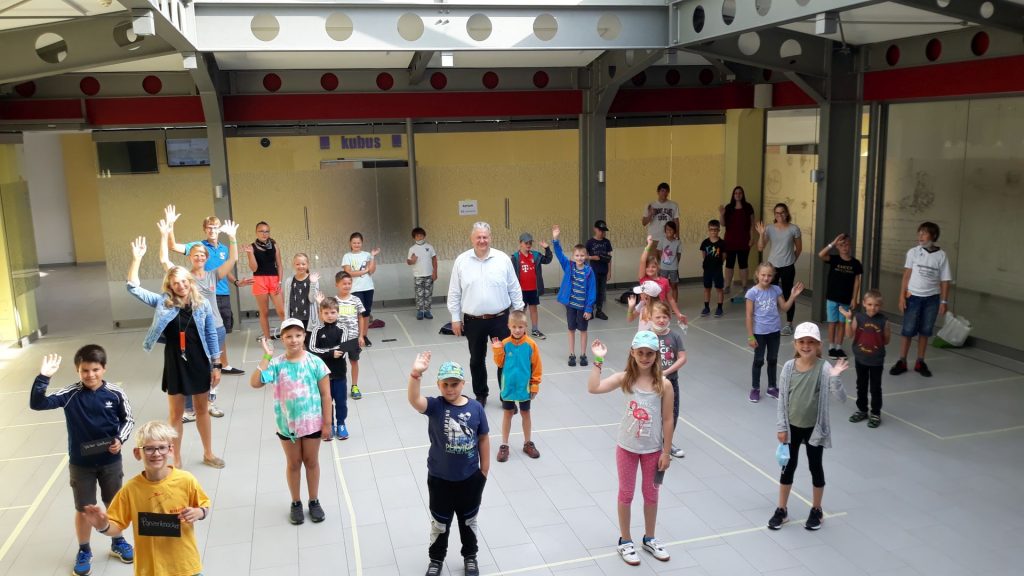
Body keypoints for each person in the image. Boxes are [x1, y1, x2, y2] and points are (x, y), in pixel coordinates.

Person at [30, 346, 135, 576]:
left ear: (104, 368)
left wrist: (120, 439)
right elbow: (37, 404)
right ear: (78, 370)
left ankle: (117, 541)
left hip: (110, 462)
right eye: (84, 370)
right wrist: (43, 378)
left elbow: (128, 420)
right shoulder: (69, 395)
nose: (90, 375)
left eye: (95, 369)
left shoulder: (116, 393)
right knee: (84, 509)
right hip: (81, 465)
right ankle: (84, 550)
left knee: (114, 504)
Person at [126, 236, 224, 469]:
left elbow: (211, 335)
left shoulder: (202, 305)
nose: (181, 286)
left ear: (190, 282)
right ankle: (176, 460)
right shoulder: (162, 302)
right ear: (170, 286)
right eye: (175, 283)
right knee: (176, 414)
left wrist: (216, 364)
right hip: (175, 363)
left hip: (199, 361)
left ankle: (208, 453)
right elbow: (132, 287)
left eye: (184, 282)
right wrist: (136, 259)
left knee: (202, 409)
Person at [81, 421, 210, 576]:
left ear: (170, 450)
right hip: (150, 570)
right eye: (149, 449)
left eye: (162, 447)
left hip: (186, 566)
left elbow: (204, 505)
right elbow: (116, 525)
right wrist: (103, 526)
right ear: (137, 453)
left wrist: (199, 512)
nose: (156, 453)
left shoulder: (186, 480)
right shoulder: (131, 490)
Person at [588, 333, 674, 566]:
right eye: (640, 353)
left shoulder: (664, 384)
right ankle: (625, 540)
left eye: (649, 353)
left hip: (653, 451)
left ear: (656, 355)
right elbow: (593, 388)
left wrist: (666, 452)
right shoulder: (625, 378)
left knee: (651, 494)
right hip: (627, 448)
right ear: (632, 353)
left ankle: (649, 538)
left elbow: (668, 419)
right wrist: (598, 360)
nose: (645, 357)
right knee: (626, 493)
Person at [407, 354, 489, 576]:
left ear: (463, 383)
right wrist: (416, 374)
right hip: (440, 479)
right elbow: (415, 400)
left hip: (470, 479)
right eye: (445, 384)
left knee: (469, 520)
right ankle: (436, 560)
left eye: (455, 384)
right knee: (439, 523)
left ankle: (470, 556)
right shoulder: (435, 406)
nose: (450, 389)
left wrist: (484, 471)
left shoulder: (476, 408)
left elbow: (483, 438)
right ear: (439, 385)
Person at [767, 322, 848, 532]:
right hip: (791, 428)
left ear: (818, 345)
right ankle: (782, 509)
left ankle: (816, 509)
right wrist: (781, 426)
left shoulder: (825, 368)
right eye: (802, 341)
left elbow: (841, 398)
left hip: (815, 428)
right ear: (795, 344)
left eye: (810, 342)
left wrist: (836, 378)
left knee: (815, 467)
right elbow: (782, 398)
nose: (806, 346)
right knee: (788, 467)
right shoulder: (788, 367)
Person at [251, 318, 333, 524]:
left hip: (312, 424)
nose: (293, 340)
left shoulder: (315, 362)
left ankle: (314, 500)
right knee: (294, 463)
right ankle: (296, 502)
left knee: (311, 462)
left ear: (304, 336)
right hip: (287, 426)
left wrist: (327, 423)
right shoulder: (276, 364)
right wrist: (266, 356)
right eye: (288, 336)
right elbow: (255, 382)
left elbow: (325, 395)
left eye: (298, 335)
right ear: (282, 338)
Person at [160, 216, 239, 423]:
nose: (200, 258)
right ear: (191, 257)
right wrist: (165, 233)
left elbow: (232, 261)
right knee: (191, 367)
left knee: (215, 367)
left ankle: (209, 402)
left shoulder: (214, 275)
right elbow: (164, 260)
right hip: (195, 330)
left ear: (206, 257)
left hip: (216, 328)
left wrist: (233, 238)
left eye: (202, 255)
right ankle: (188, 408)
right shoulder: (185, 277)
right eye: (196, 255)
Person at [447, 222, 525, 406]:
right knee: (476, 360)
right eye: (478, 237)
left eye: (485, 237)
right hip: (473, 321)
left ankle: (507, 395)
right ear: (472, 238)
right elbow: (454, 292)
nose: (482, 240)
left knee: (505, 359)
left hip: (501, 319)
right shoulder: (461, 261)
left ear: (490, 238)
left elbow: (514, 288)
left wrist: (519, 314)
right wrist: (455, 318)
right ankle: (480, 394)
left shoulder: (503, 259)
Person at [165, 205, 249, 375]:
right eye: (209, 228)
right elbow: (172, 246)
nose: (212, 230)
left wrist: (236, 281)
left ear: (219, 230)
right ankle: (202, 363)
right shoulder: (198, 247)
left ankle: (222, 364)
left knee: (221, 329)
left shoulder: (224, 249)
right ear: (205, 230)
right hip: (202, 295)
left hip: (221, 293)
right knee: (201, 329)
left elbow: (225, 269)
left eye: (215, 227)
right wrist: (170, 225)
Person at [890, 222, 952, 378]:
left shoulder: (941, 256)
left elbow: (945, 280)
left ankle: (920, 361)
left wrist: (943, 302)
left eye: (924, 233)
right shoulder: (913, 252)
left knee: (925, 331)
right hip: (913, 298)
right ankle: (902, 361)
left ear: (933, 236)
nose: (920, 236)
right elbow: (907, 275)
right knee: (908, 330)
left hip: (932, 299)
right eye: (919, 233)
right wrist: (901, 296)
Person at [746, 262, 805, 403]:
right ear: (757, 275)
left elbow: (784, 307)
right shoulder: (752, 293)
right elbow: (749, 316)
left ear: (773, 276)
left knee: (772, 359)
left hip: (774, 332)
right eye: (763, 275)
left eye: (769, 275)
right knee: (758, 360)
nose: (766, 278)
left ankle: (772, 387)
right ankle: (755, 388)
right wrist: (750, 336)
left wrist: (793, 296)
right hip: (759, 333)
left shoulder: (776, 290)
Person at [490, 310, 542, 462]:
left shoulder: (531, 345)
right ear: (509, 326)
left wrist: (534, 386)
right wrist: (497, 349)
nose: (517, 330)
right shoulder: (504, 344)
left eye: (520, 327)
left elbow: (537, 367)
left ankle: (527, 443)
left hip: (525, 387)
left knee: (526, 413)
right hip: (508, 387)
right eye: (514, 327)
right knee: (508, 413)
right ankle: (504, 445)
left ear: (525, 326)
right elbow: (499, 363)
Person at [311, 272, 367, 400]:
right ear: (337, 284)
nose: (347, 286)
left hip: (352, 338)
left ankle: (354, 386)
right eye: (344, 283)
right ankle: (331, 385)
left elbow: (361, 317)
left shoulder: (356, 300)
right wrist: (321, 303)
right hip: (336, 340)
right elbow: (324, 317)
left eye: (349, 283)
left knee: (354, 361)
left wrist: (361, 336)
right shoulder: (333, 301)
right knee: (336, 364)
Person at [841, 290, 890, 428]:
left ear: (880, 305)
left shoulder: (884, 321)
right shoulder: (859, 318)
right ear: (864, 304)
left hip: (876, 361)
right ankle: (862, 409)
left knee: (875, 387)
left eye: (876, 305)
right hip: (861, 358)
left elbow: (886, 340)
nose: (872, 308)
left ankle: (875, 413)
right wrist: (848, 319)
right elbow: (849, 334)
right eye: (869, 304)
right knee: (861, 385)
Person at [552, 224, 597, 367]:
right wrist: (555, 239)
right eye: (577, 255)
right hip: (571, 305)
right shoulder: (569, 266)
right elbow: (559, 254)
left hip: (583, 307)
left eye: (582, 255)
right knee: (571, 329)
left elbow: (592, 290)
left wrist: (589, 308)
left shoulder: (589, 271)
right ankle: (572, 354)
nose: (579, 257)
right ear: (573, 257)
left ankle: (583, 354)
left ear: (586, 256)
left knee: (583, 330)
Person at [756, 203, 802, 336]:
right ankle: (771, 321)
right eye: (777, 213)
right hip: (773, 267)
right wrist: (761, 234)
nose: (779, 215)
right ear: (774, 215)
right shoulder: (769, 229)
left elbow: (798, 249)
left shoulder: (794, 229)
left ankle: (789, 324)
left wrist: (791, 261)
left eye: (782, 212)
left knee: (788, 294)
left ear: (786, 213)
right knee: (770, 294)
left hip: (788, 266)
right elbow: (760, 247)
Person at [649, 301, 687, 459]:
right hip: (652, 382)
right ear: (650, 317)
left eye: (664, 317)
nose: (661, 320)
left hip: (671, 381)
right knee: (653, 413)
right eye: (657, 317)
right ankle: (654, 444)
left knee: (672, 413)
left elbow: (682, 358)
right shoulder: (647, 336)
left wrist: (667, 371)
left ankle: (667, 443)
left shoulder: (675, 336)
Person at [309, 297, 351, 439]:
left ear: (338, 313)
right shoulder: (317, 330)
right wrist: (330, 353)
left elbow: (343, 348)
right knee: (326, 401)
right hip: (322, 375)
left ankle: (341, 424)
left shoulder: (343, 329)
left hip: (339, 373)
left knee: (341, 401)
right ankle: (329, 424)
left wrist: (329, 352)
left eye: (333, 312)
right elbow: (312, 349)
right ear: (321, 314)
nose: (330, 316)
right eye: (326, 313)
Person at [817, 234, 863, 359]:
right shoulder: (834, 259)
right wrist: (832, 242)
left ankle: (839, 347)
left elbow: (857, 281)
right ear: (837, 247)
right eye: (841, 245)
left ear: (850, 245)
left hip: (846, 299)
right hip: (832, 297)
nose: (844, 247)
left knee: (842, 324)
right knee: (832, 323)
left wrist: (854, 298)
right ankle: (831, 347)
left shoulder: (855, 263)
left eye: (847, 244)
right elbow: (821, 255)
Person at [245, 221, 286, 342]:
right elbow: (254, 268)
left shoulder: (274, 245)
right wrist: (251, 254)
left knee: (282, 311)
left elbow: (279, 265)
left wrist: (279, 282)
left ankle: (287, 336)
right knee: (264, 312)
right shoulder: (251, 247)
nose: (264, 233)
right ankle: (268, 339)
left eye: (267, 231)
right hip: (259, 280)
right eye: (261, 231)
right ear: (256, 232)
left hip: (274, 280)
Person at [510, 232, 553, 339]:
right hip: (521, 290)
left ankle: (535, 330)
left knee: (533, 309)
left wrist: (547, 249)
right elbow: (510, 274)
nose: (528, 245)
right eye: (526, 243)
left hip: (533, 289)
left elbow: (548, 260)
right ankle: (520, 331)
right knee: (521, 311)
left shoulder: (536, 255)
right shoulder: (515, 257)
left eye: (530, 243)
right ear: (520, 243)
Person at [342, 231, 383, 337]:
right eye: (354, 243)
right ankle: (356, 336)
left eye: (358, 243)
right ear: (350, 243)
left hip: (368, 287)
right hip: (355, 289)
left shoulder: (367, 255)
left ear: (362, 243)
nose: (356, 245)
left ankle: (364, 336)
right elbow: (348, 273)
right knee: (358, 313)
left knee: (366, 313)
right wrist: (364, 271)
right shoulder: (347, 256)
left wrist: (373, 257)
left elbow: (371, 271)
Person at [639, 235, 687, 323]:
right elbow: (642, 261)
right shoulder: (644, 279)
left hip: (660, 314)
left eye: (653, 267)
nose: (650, 269)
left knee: (661, 334)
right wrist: (649, 245)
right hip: (647, 313)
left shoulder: (664, 281)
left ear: (657, 267)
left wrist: (678, 313)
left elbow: (670, 299)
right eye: (648, 267)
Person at [719, 186, 756, 297]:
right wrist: (721, 214)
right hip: (730, 241)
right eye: (736, 193)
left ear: (742, 194)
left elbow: (752, 224)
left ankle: (744, 286)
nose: (738, 194)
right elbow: (723, 224)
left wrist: (752, 238)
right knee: (729, 264)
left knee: (743, 264)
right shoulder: (729, 207)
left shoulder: (748, 207)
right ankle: (727, 286)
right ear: (733, 195)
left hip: (744, 240)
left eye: (740, 193)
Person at [282, 253, 322, 346]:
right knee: (297, 345)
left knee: (310, 344)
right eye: (298, 264)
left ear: (308, 264)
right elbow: (287, 302)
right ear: (293, 265)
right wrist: (286, 318)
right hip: (294, 318)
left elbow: (312, 300)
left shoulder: (313, 279)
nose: (301, 266)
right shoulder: (289, 281)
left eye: (303, 264)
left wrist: (312, 283)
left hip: (309, 319)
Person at [407, 227, 438, 320]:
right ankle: (420, 311)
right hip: (418, 275)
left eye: (421, 235)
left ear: (424, 236)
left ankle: (427, 311)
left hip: (429, 274)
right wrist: (412, 261)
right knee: (419, 294)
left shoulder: (430, 247)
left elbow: (434, 260)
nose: (419, 237)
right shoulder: (412, 249)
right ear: (414, 237)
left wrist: (435, 272)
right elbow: (408, 262)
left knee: (428, 293)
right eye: (417, 236)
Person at [586, 219, 613, 320]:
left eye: (603, 231)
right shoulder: (590, 242)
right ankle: (590, 310)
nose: (602, 232)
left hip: (603, 270)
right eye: (600, 230)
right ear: (595, 229)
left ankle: (599, 310)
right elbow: (584, 256)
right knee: (593, 291)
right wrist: (593, 257)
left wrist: (609, 272)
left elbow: (609, 258)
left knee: (601, 291)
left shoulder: (607, 242)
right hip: (593, 271)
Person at [699, 219, 726, 317]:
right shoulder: (705, 242)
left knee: (719, 288)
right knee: (707, 288)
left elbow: (724, 255)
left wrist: (719, 264)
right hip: (707, 269)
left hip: (717, 269)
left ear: (719, 230)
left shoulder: (722, 243)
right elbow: (704, 254)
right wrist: (708, 264)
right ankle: (706, 307)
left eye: (715, 230)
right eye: (711, 229)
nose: (713, 231)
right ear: (708, 230)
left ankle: (719, 308)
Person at [641, 182, 679, 248]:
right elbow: (644, 223)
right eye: (662, 191)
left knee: (667, 258)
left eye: (667, 191)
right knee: (653, 258)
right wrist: (650, 214)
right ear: (658, 192)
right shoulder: (650, 205)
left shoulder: (674, 205)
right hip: (653, 238)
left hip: (668, 238)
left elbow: (676, 221)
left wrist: (677, 234)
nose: (664, 193)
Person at [659, 221, 682, 304]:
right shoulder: (662, 240)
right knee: (662, 286)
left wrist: (675, 263)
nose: (669, 231)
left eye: (671, 229)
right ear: (665, 231)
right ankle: (662, 304)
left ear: (675, 231)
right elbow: (659, 252)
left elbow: (679, 255)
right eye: (667, 229)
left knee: (674, 286)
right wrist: (661, 263)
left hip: (673, 268)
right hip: (663, 268)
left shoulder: (678, 242)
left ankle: (674, 304)